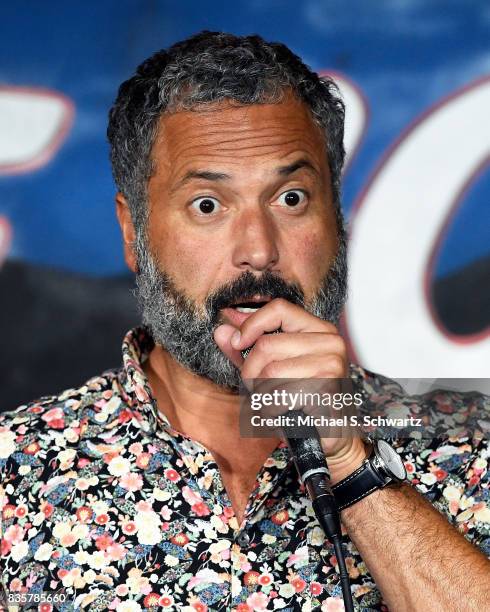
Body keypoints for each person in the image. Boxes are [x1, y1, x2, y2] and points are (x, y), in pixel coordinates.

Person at [1, 31, 489, 612]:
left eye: (291, 199)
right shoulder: (17, 471)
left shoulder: (465, 447)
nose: (258, 250)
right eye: (208, 205)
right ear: (133, 233)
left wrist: (349, 459)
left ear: (337, 217)